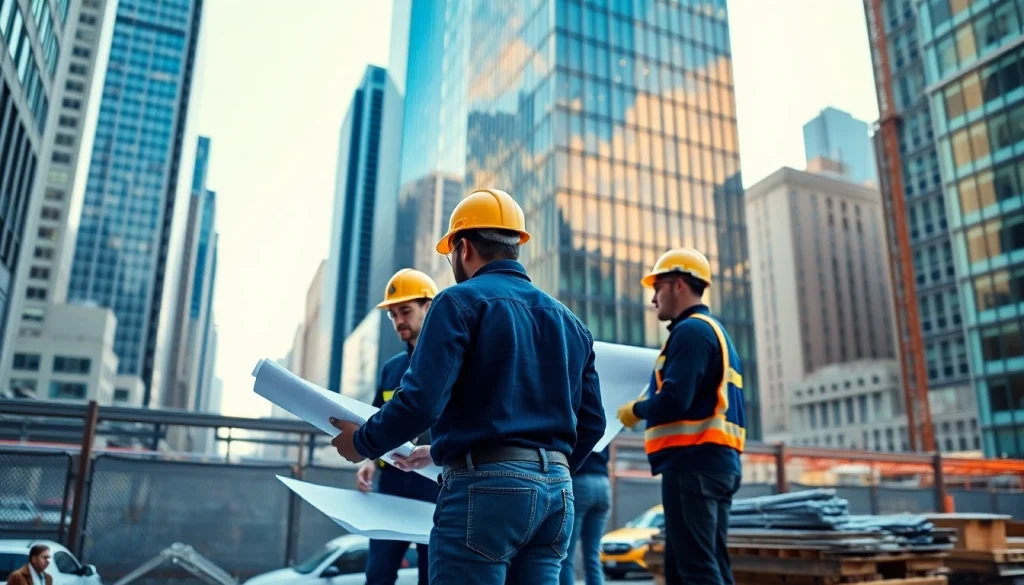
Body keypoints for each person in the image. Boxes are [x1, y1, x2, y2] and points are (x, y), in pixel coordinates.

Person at [330, 187, 606, 585]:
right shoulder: (570, 323)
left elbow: (421, 402)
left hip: (485, 490)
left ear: (462, 247)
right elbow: (592, 424)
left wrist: (362, 443)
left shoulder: (457, 302)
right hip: (557, 498)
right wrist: (544, 469)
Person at [615, 248, 746, 585]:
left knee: (697, 570)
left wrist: (635, 410)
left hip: (694, 464)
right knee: (695, 564)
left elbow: (675, 399)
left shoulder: (690, 333)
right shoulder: (713, 332)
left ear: (677, 286)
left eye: (657, 289)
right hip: (713, 463)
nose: (653, 300)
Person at [356, 268, 443, 585]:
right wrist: (368, 461)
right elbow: (377, 420)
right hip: (390, 484)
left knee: (430, 575)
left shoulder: (450, 360)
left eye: (405, 311)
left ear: (429, 307)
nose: (398, 321)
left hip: (433, 485)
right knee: (377, 574)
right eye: (392, 315)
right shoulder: (392, 369)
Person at [559, 446, 611, 585]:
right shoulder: (603, 424)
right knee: (593, 555)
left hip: (580, 481)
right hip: (603, 483)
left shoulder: (576, 423)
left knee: (565, 555)